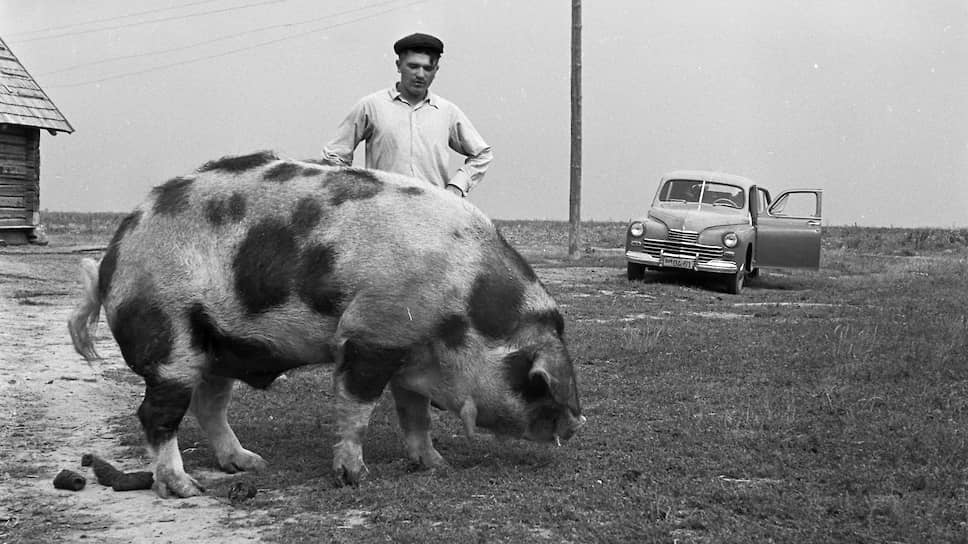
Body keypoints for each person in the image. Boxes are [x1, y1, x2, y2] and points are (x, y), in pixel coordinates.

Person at [321, 33, 493, 198]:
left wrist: (456, 187)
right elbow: (334, 156)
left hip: (434, 212)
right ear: (398, 65)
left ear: (436, 70)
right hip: (383, 212)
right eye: (413, 66)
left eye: (427, 68)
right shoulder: (371, 106)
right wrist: (354, 192)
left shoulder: (447, 112)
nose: (420, 74)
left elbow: (482, 154)